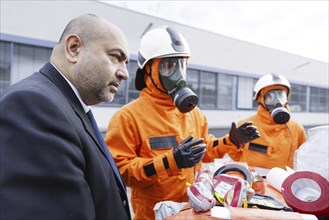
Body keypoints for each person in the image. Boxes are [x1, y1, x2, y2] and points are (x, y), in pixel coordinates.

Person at [105, 26, 260, 220]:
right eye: (168, 66)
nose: (178, 75)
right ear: (149, 70)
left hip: (193, 211)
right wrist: (171, 161)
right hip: (153, 215)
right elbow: (122, 172)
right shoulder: (128, 117)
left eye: (182, 66)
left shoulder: (194, 114)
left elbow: (204, 149)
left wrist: (230, 141)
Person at [0, 14, 131, 219]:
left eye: (126, 63)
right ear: (74, 49)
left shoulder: (66, 105)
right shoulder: (34, 106)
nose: (125, 73)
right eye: (116, 57)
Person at [223, 73, 307, 169]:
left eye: (281, 95)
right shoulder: (246, 125)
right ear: (260, 99)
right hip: (253, 181)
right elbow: (234, 154)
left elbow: (302, 160)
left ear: (287, 98)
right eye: (270, 96)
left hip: (281, 182)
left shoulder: (296, 129)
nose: (278, 101)